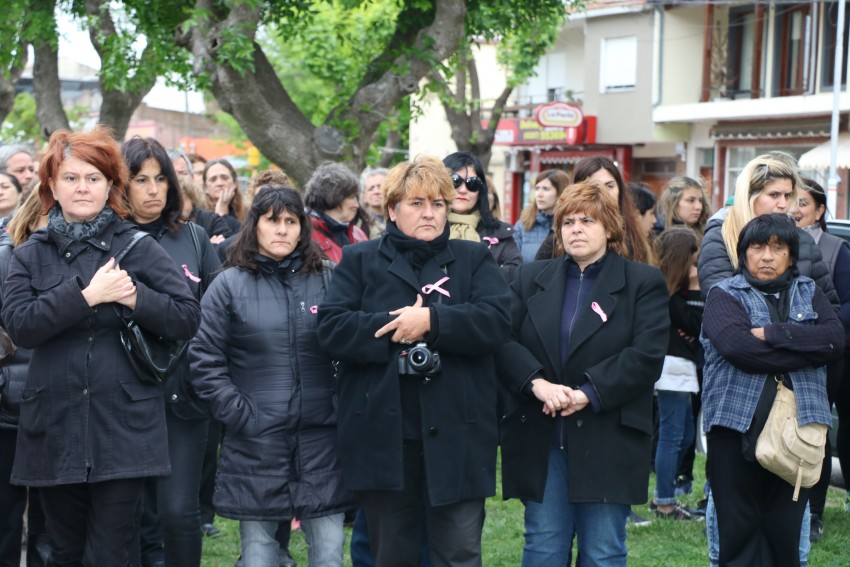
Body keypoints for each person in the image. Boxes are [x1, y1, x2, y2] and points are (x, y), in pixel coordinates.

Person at [0, 126, 201, 566]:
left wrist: (134, 297)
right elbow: (21, 326)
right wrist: (87, 296)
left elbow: (186, 316)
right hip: (54, 424)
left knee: (112, 552)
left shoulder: (137, 247)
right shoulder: (30, 253)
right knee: (64, 550)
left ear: (111, 185)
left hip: (123, 427)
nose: (82, 188)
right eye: (70, 178)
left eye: (93, 178)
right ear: (51, 186)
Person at [317, 155, 511, 567]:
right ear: (392, 210)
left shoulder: (473, 259)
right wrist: (394, 327)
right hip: (384, 437)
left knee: (459, 553)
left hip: (458, 433)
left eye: (438, 204)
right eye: (417, 203)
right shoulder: (360, 259)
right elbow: (331, 330)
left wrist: (432, 321)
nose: (430, 213)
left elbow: (498, 321)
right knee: (392, 554)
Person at [496, 180, 668, 566]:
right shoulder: (530, 278)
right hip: (543, 435)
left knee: (603, 552)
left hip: (608, 435)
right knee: (542, 548)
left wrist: (587, 392)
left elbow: (647, 355)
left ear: (609, 227)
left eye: (587, 221)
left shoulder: (642, 283)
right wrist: (536, 383)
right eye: (568, 221)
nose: (576, 228)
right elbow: (502, 341)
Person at [190, 187, 353, 567]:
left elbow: (351, 348)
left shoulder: (329, 279)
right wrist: (240, 413)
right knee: (260, 555)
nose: (281, 230)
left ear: (302, 229)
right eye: (272, 220)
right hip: (255, 441)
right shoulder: (228, 285)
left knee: (329, 551)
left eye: (290, 221)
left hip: (321, 440)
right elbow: (204, 359)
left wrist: (337, 404)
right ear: (255, 226)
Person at [700, 213, 843, 567]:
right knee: (738, 535)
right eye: (757, 247)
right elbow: (737, 348)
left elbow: (835, 339)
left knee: (785, 535)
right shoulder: (723, 295)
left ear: (791, 257)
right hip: (734, 432)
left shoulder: (810, 292)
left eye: (777, 248)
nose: (766, 256)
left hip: (799, 432)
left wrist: (776, 335)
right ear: (743, 253)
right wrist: (805, 352)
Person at [122, 136, 222, 567]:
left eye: (161, 178)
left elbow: (217, 313)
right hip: (124, 395)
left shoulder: (195, 237)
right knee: (132, 513)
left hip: (185, 394)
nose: (153, 189)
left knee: (179, 511)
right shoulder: (108, 237)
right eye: (140, 179)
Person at [790, 178, 850, 541]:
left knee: (820, 433)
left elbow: (845, 305)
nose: (794, 208)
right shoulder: (775, 241)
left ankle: (815, 512)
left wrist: (818, 330)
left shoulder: (835, 249)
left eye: (802, 202)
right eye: (789, 200)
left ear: (820, 211)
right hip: (790, 353)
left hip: (830, 354)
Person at [698, 151, 835, 301]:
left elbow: (830, 308)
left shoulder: (803, 239)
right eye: (774, 195)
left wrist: (784, 325)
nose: (783, 205)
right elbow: (720, 302)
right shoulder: (721, 234)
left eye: (787, 196)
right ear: (750, 196)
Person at [0, 189, 49, 567]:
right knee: (5, 515)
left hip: (57, 404)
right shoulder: (5, 258)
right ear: (31, 218)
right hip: (7, 406)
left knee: (50, 524)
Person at [651, 227, 704, 521]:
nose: (698, 269)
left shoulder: (675, 294)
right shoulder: (669, 293)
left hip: (680, 369)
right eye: (694, 262)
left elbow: (696, 327)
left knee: (683, 435)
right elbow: (698, 326)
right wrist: (695, 290)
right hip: (672, 370)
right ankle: (664, 501)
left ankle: (665, 495)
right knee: (673, 436)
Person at [534, 156, 655, 265]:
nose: (603, 193)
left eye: (609, 186)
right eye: (594, 187)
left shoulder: (635, 235)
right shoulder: (556, 242)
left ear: (620, 190)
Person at [443, 151, 522, 281]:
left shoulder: (500, 233)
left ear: (481, 191)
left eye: (472, 183)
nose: (463, 190)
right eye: (455, 181)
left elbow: (514, 274)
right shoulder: (426, 226)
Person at [304, 162, 368, 263]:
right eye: (352, 197)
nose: (357, 205)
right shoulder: (304, 234)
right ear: (334, 196)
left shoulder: (359, 234)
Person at [514, 169, 569, 263]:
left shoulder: (569, 224)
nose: (539, 194)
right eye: (537, 188)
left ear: (560, 192)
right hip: (528, 276)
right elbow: (513, 261)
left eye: (546, 189)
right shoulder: (523, 224)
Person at [202, 158, 244, 234]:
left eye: (225, 178)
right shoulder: (199, 217)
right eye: (213, 179)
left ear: (235, 183)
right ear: (205, 188)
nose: (219, 183)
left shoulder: (247, 212)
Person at [360, 167, 388, 239]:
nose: (376, 192)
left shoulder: (401, 218)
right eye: (371, 188)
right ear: (364, 196)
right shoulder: (360, 223)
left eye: (380, 187)